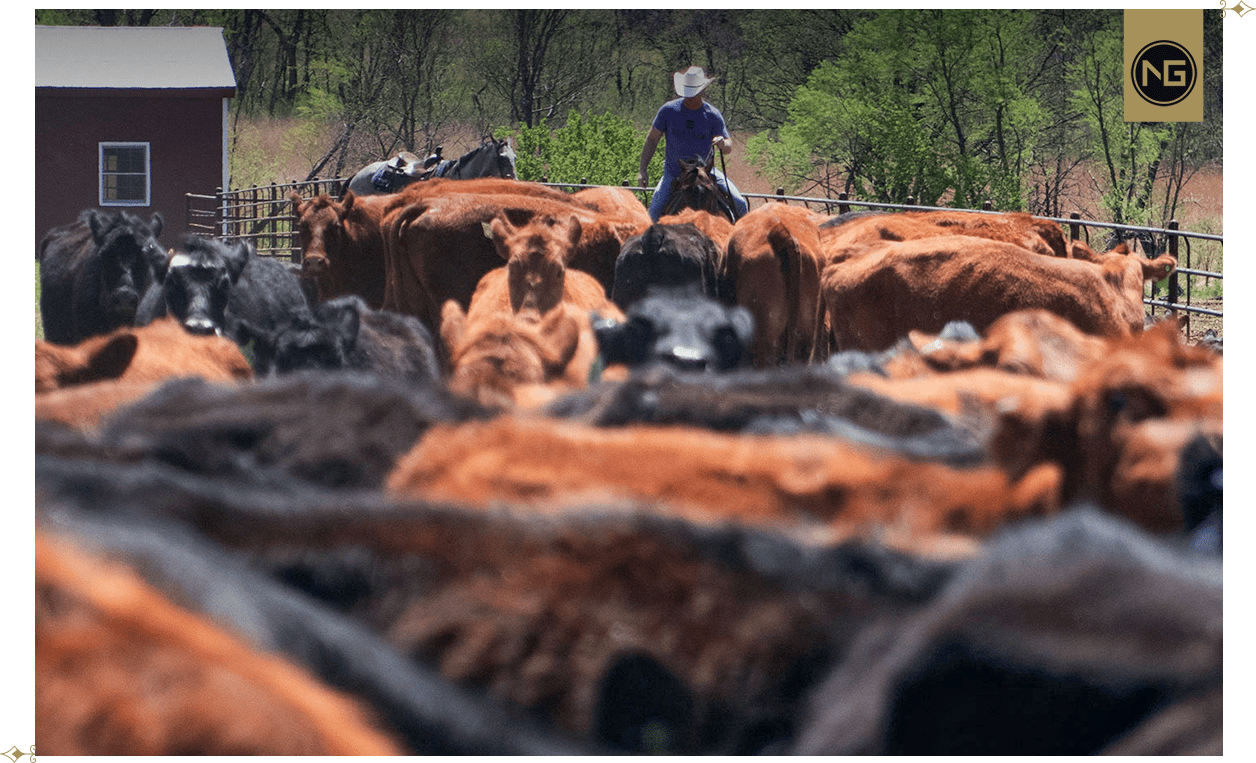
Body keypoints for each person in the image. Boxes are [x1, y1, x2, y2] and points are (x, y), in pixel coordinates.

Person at [638, 65, 749, 222]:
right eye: (686, 92)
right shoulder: (668, 111)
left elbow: (728, 146)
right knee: (654, 211)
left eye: (692, 93)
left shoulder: (712, 115)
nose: (688, 97)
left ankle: (740, 243)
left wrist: (722, 143)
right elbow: (652, 139)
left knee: (740, 203)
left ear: (702, 91)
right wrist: (642, 169)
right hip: (674, 173)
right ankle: (648, 244)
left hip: (705, 173)